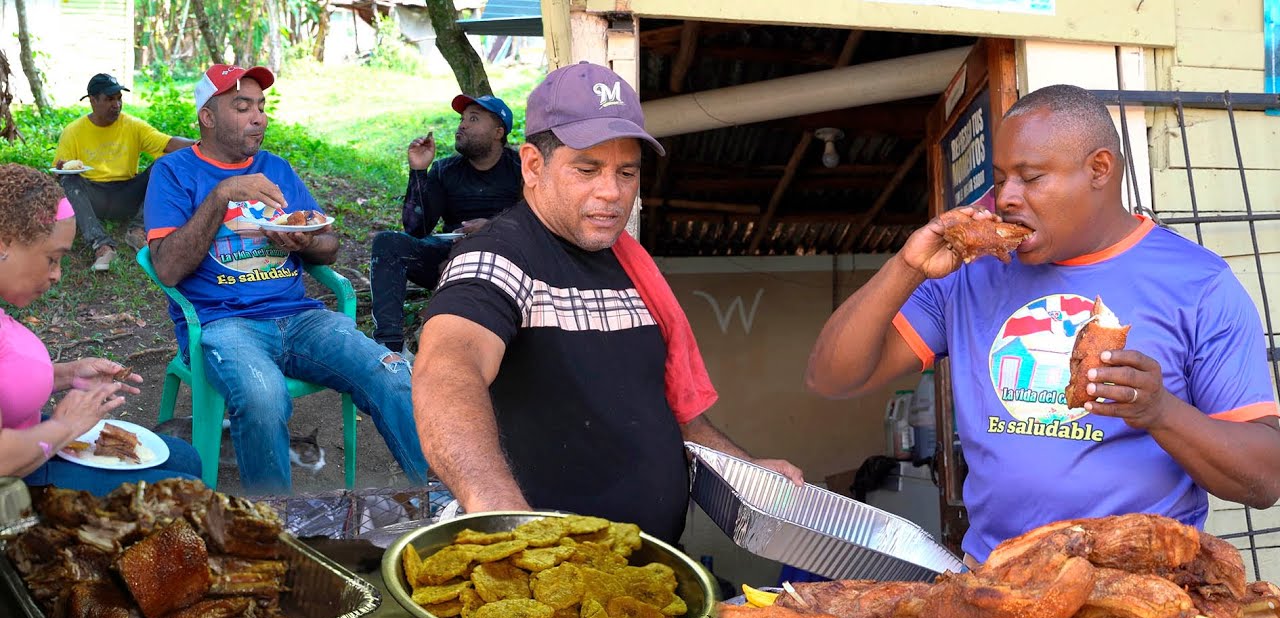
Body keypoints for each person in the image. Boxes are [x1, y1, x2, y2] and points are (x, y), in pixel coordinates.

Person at [806, 84, 1280, 563]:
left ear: (1099, 169)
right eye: (1001, 178)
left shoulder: (1198, 284)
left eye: (1030, 178)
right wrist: (906, 267)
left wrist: (1160, 412)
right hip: (996, 582)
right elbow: (832, 377)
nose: (1006, 197)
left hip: (1139, 592)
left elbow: (1264, 480)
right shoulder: (972, 272)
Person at [412, 62, 802, 545]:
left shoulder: (631, 264)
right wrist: (497, 507)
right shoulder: (499, 257)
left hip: (650, 571)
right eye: (587, 169)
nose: (612, 192)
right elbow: (447, 368)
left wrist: (748, 472)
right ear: (533, 165)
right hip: (548, 578)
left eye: (627, 172)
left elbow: (672, 411)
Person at [142, 64, 435, 495]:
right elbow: (167, 267)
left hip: (301, 319)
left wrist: (303, 241)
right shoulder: (173, 173)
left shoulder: (275, 168)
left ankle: (439, 503)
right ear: (208, 116)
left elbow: (329, 245)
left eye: (261, 107)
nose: (258, 116)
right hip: (223, 324)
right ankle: (274, 522)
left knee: (392, 374)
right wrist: (222, 196)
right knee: (262, 399)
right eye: (242, 107)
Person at [0, 163, 201, 494]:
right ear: (5, 242)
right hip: (14, 485)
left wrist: (68, 375)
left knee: (182, 458)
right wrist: (65, 427)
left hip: (31, 444)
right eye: (52, 259)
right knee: (187, 491)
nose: (57, 275)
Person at [370, 94, 522, 354]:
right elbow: (416, 229)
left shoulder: (520, 169)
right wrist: (419, 171)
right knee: (388, 242)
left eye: (473, 119)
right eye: (462, 119)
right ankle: (390, 348)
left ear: (498, 132)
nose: (462, 125)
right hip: (450, 257)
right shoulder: (446, 170)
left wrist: (492, 227)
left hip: (506, 260)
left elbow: (538, 223)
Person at [55, 73, 195, 272]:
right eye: (109, 99)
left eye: (119, 98)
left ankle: (138, 229)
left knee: (164, 165)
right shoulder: (73, 131)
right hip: (93, 198)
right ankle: (101, 245)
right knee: (69, 180)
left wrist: (206, 143)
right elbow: (58, 172)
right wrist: (62, 168)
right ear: (93, 101)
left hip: (126, 194)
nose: (116, 104)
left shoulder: (133, 125)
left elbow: (168, 144)